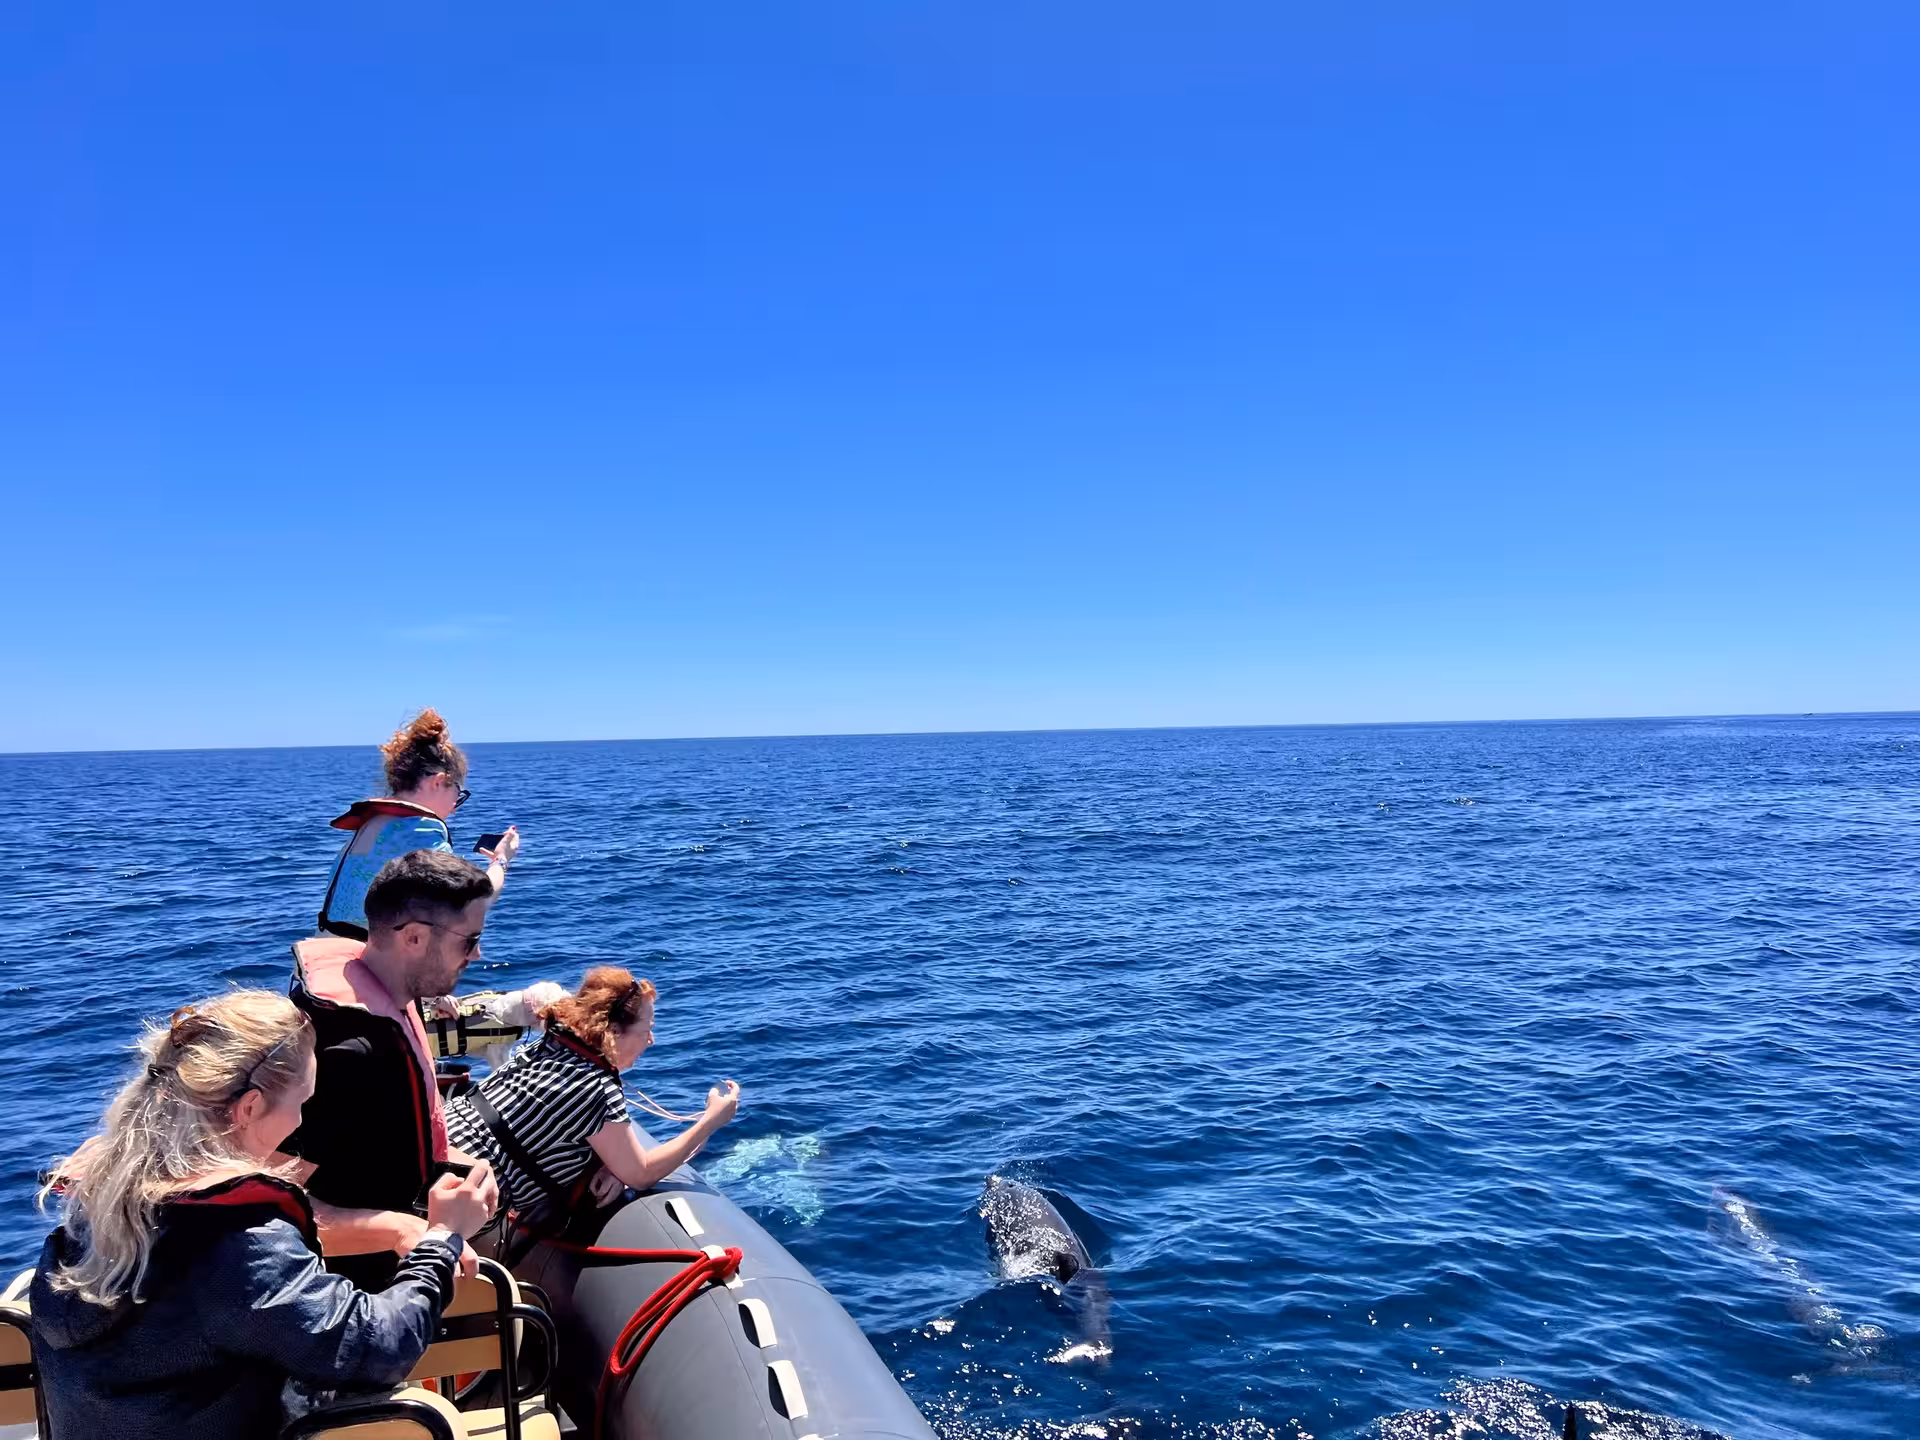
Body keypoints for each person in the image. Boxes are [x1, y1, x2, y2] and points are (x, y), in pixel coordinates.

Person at [30, 990, 495, 1440]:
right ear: (250, 1107)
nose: (301, 1121)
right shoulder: (237, 1241)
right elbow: (377, 1349)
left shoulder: (96, 1203)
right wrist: (442, 1238)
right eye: (302, 1102)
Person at [286, 848, 501, 1287]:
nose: (476, 956)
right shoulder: (343, 1051)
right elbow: (275, 1213)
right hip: (353, 1299)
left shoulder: (396, 1003)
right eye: (469, 940)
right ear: (415, 938)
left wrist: (465, 1165)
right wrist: (408, 1231)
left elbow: (386, 1148)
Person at [446, 967, 741, 1241]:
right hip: (455, 1192)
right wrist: (711, 1120)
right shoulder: (597, 1088)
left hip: (438, 1147)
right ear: (614, 1033)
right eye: (646, 1030)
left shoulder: (551, 1044)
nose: (651, 1040)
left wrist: (609, 1163)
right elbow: (641, 1174)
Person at [318, 708, 521, 940]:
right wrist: (501, 859)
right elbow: (473, 902)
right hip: (366, 964)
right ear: (439, 782)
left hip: (325, 955)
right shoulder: (421, 827)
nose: (455, 806)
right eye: (458, 793)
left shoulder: (372, 823)